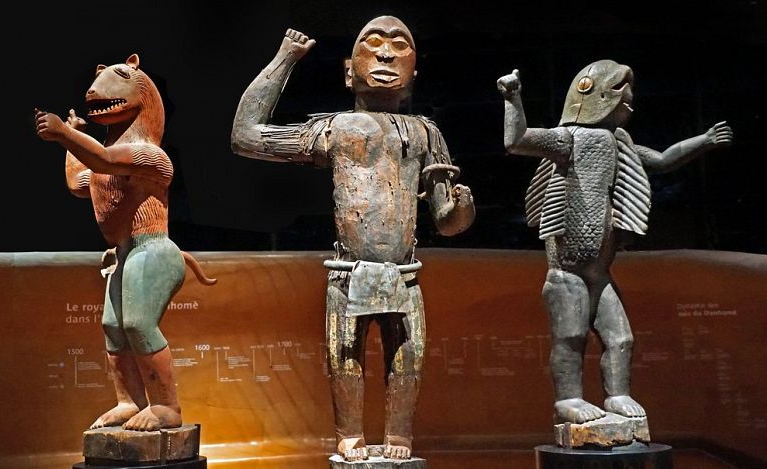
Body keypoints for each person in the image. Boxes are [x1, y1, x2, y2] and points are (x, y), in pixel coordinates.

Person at [231, 17, 475, 461]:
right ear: (348, 71)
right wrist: (285, 59)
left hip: (404, 274)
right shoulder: (337, 128)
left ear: (413, 74)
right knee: (344, 356)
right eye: (373, 42)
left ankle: (399, 435)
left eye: (400, 45)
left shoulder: (425, 133)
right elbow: (246, 136)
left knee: (408, 358)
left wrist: (461, 207)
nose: (385, 53)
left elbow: (447, 222)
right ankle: (350, 434)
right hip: (348, 273)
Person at [497, 60, 732, 426]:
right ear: (600, 95)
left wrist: (704, 141)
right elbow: (518, 140)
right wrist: (513, 97)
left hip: (599, 272)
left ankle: (618, 394)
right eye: (624, 92)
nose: (631, 100)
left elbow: (663, 160)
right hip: (568, 272)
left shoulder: (620, 142)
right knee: (571, 336)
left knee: (621, 339)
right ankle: (568, 400)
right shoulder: (569, 139)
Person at [35, 53, 215, 431]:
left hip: (152, 249)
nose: (94, 90)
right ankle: (129, 401)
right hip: (125, 253)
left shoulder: (150, 155)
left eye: (115, 78)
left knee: (137, 323)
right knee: (113, 327)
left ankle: (166, 406)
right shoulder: (109, 164)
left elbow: (103, 159)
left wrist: (66, 134)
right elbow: (79, 182)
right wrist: (69, 142)